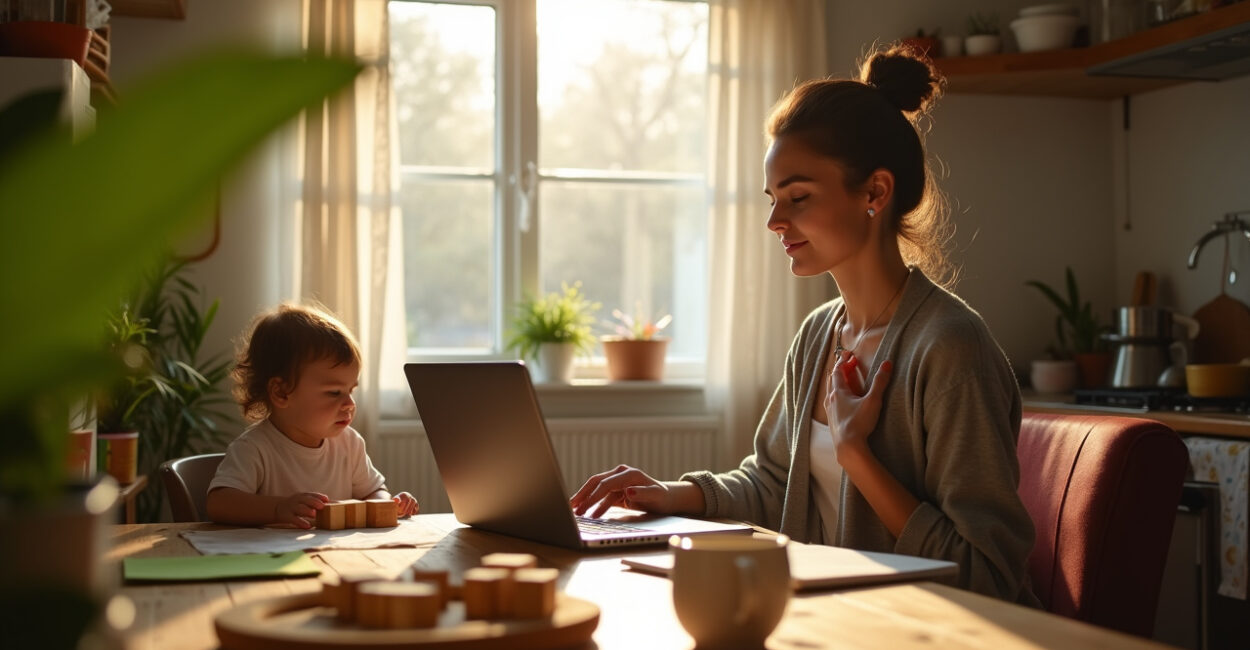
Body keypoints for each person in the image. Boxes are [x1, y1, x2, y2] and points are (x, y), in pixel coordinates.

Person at [571, 44, 1040, 606]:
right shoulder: (819, 334)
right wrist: (665, 496)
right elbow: (774, 484)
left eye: (797, 197)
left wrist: (856, 455)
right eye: (773, 199)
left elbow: (985, 574)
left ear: (875, 192)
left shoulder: (949, 347)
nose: (774, 221)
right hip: (841, 622)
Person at [206, 302, 419, 528]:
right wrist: (278, 508)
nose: (349, 403)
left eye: (351, 390)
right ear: (281, 392)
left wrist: (387, 505)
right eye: (334, 392)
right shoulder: (255, 448)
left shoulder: (350, 443)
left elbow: (374, 491)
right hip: (273, 558)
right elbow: (219, 503)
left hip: (338, 555)